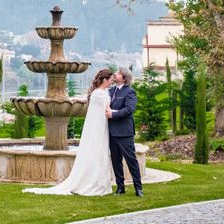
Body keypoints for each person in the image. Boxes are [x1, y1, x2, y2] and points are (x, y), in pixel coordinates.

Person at [23, 68, 114, 196]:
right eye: (110, 80)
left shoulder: (97, 93)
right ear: (105, 80)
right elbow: (107, 111)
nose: (111, 82)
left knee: (97, 152)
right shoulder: (100, 94)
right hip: (100, 127)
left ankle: (97, 182)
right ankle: (95, 184)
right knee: (98, 152)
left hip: (98, 126)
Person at [106, 67, 143, 197]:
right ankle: (120, 187)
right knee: (116, 161)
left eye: (118, 73)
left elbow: (129, 110)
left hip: (124, 132)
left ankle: (138, 188)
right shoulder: (110, 91)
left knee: (131, 160)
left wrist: (113, 114)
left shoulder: (130, 92)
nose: (115, 74)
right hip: (111, 132)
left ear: (124, 78)